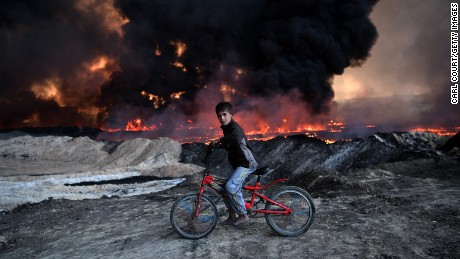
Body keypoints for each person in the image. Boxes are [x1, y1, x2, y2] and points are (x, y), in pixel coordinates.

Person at [211, 101, 258, 227]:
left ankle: (243, 215)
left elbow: (234, 138)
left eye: (224, 114)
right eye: (219, 116)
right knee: (224, 189)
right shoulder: (227, 129)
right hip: (239, 164)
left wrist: (220, 141)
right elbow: (229, 143)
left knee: (231, 187)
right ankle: (232, 216)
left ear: (231, 114)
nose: (222, 118)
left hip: (246, 163)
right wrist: (217, 145)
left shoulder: (234, 128)